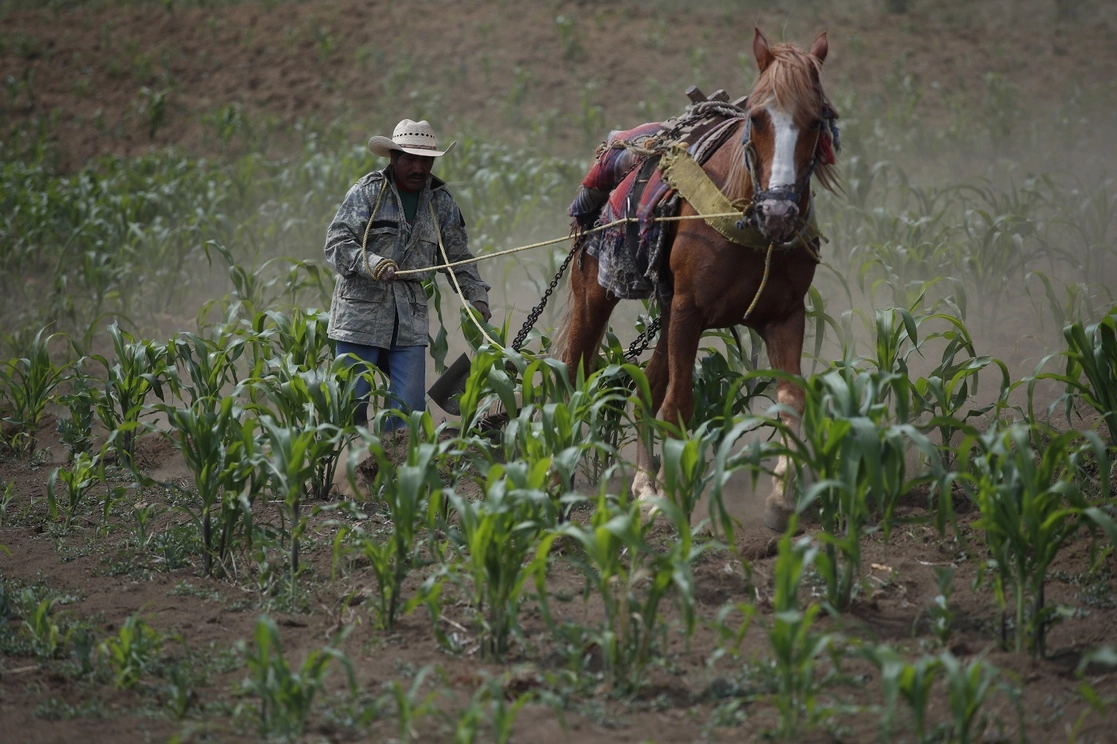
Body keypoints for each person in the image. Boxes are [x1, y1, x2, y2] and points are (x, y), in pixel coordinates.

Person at [324, 118, 491, 432]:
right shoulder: (368, 192)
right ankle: (344, 474)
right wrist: (372, 263)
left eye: (425, 161)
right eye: (411, 160)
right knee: (351, 405)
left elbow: (457, 256)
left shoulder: (440, 201)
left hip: (409, 318)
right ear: (393, 158)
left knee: (408, 410)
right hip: (360, 315)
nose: (418, 168)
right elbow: (336, 243)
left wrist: (476, 294)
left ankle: (396, 474)